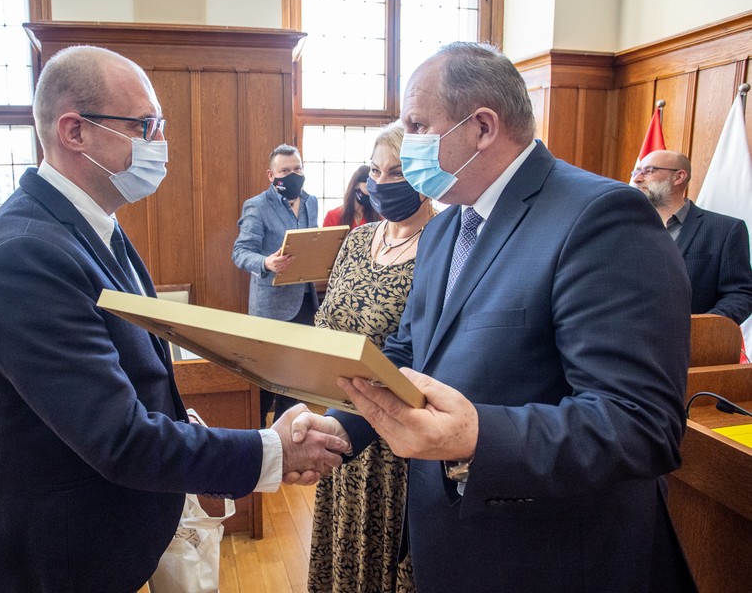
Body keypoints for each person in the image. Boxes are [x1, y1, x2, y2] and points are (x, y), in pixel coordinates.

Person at [295, 42, 697, 592]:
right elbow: (413, 354)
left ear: (482, 127)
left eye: (416, 124)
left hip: (550, 559)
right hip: (451, 543)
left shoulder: (601, 217)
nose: (406, 140)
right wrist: (341, 425)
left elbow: (638, 425)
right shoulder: (443, 228)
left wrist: (478, 437)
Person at [0, 46, 348, 593]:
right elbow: (118, 438)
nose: (161, 144)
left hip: (110, 543)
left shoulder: (94, 226)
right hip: (54, 563)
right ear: (75, 131)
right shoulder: (24, 255)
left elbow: (132, 373)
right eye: (145, 125)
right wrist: (273, 450)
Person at [309, 121, 430, 593]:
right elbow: (327, 316)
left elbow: (418, 346)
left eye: (397, 172)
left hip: (397, 431)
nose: (382, 183)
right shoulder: (359, 240)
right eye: (377, 171)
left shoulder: (444, 242)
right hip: (341, 413)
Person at [232, 144, 319, 427]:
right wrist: (266, 263)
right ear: (271, 175)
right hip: (272, 308)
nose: (292, 175)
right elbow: (241, 252)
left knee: (296, 380)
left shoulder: (311, 201)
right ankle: (257, 440)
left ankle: (287, 436)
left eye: (297, 169)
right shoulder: (257, 205)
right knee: (267, 383)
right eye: (285, 171)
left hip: (306, 302)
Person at [633, 149, 752, 325]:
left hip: (689, 347)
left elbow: (740, 294)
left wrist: (703, 327)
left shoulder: (725, 230)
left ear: (679, 177)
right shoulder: (626, 227)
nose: (637, 179)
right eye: (636, 171)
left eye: (648, 171)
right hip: (627, 343)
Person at [322, 164, 380, 229]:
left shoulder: (379, 217)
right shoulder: (333, 216)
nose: (371, 193)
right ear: (356, 184)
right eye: (368, 187)